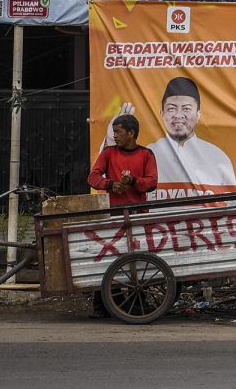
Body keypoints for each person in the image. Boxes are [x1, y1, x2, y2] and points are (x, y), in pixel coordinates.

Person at [86, 113, 157, 318]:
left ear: (131, 133)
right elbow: (93, 177)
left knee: (137, 261)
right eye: (114, 132)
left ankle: (136, 301)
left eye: (118, 132)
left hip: (137, 217)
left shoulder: (146, 154)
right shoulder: (108, 153)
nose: (115, 136)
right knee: (109, 260)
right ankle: (103, 304)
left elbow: (152, 182)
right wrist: (110, 184)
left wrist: (133, 181)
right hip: (113, 217)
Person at [145, 77, 236, 188]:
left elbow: (233, 201)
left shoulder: (218, 157)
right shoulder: (148, 154)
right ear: (161, 113)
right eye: (171, 109)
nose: (178, 115)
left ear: (198, 114)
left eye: (186, 109)